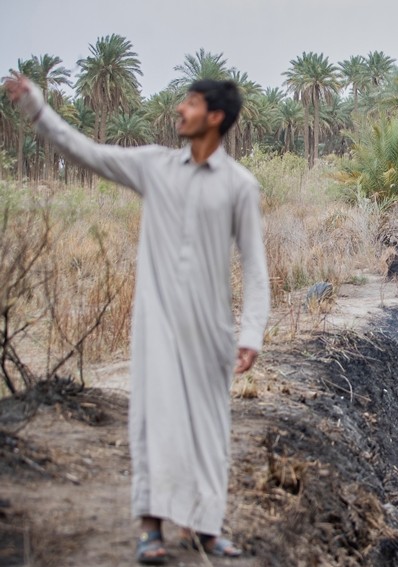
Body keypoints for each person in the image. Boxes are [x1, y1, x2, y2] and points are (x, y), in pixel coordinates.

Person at [3, 74, 270, 564]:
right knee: (153, 422)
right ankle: (151, 528)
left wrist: (251, 333)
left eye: (189, 103)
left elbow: (255, 267)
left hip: (211, 331)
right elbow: (85, 150)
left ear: (214, 117)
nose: (179, 110)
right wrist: (37, 108)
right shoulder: (153, 166)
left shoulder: (240, 185)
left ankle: (206, 530)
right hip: (157, 328)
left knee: (210, 430)